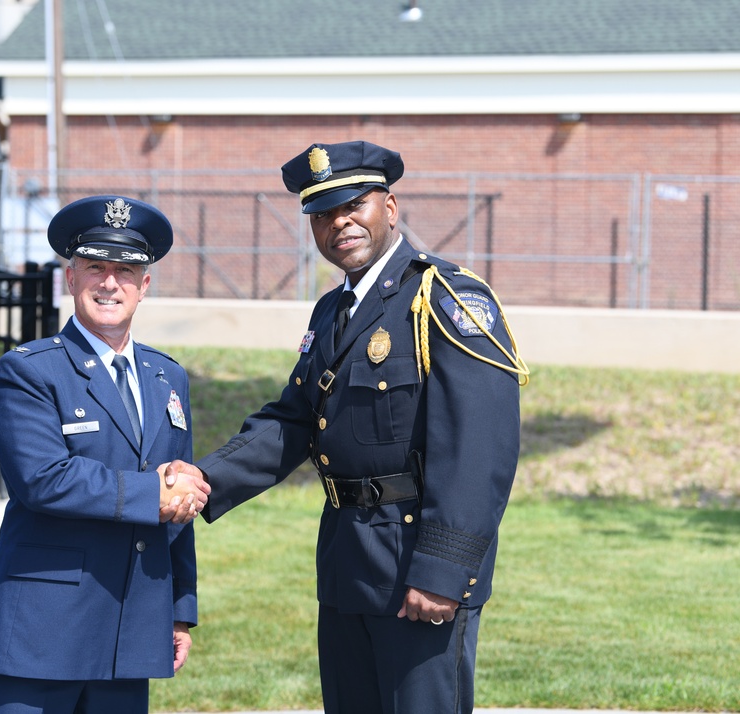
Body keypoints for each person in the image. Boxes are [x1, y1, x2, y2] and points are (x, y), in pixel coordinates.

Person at [165, 141, 529, 713]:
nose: (340, 222)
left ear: (389, 206)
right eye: (322, 212)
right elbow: (294, 421)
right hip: (347, 564)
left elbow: (479, 447)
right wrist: (203, 476)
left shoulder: (445, 297)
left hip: (418, 568)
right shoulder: (333, 311)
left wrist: (443, 569)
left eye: (353, 204)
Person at [0, 194, 210, 714]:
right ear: (71, 278)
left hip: (133, 624)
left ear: (144, 285)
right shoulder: (31, 370)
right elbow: (43, 478)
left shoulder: (166, 376)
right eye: (95, 267)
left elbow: (180, 500)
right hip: (44, 628)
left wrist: (178, 610)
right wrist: (157, 492)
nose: (110, 282)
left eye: (125, 270)